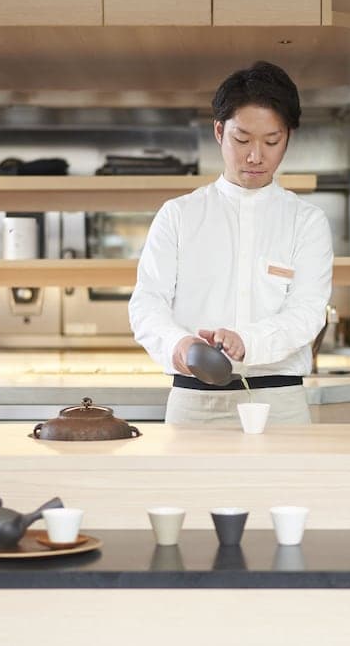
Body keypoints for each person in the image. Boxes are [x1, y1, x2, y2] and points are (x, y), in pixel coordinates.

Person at [128, 60, 334, 425]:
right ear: (219, 131)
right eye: (242, 140)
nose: (255, 156)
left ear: (288, 137)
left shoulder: (307, 221)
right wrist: (179, 344)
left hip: (279, 402)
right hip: (194, 402)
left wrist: (247, 341)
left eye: (272, 141)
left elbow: (307, 312)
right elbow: (147, 303)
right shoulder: (178, 215)